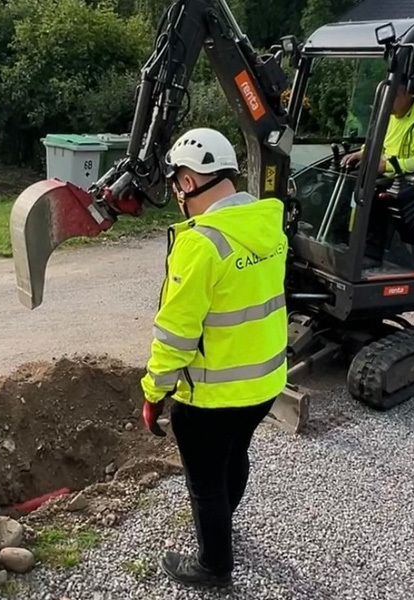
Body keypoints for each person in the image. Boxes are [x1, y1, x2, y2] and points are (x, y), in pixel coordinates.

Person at [139, 128, 288, 588]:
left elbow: (175, 336)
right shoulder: (268, 224)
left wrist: (154, 392)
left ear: (187, 182)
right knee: (234, 455)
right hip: (264, 385)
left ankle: (212, 566)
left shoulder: (202, 244)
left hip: (212, 397)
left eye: (174, 185)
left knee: (205, 484)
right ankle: (223, 524)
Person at [341, 79, 414, 205]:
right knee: (349, 179)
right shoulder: (390, 117)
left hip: (412, 191)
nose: (387, 101)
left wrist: (386, 166)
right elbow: (379, 143)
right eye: (385, 95)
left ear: (408, 94)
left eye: (393, 96)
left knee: (367, 194)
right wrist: (363, 153)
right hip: (390, 179)